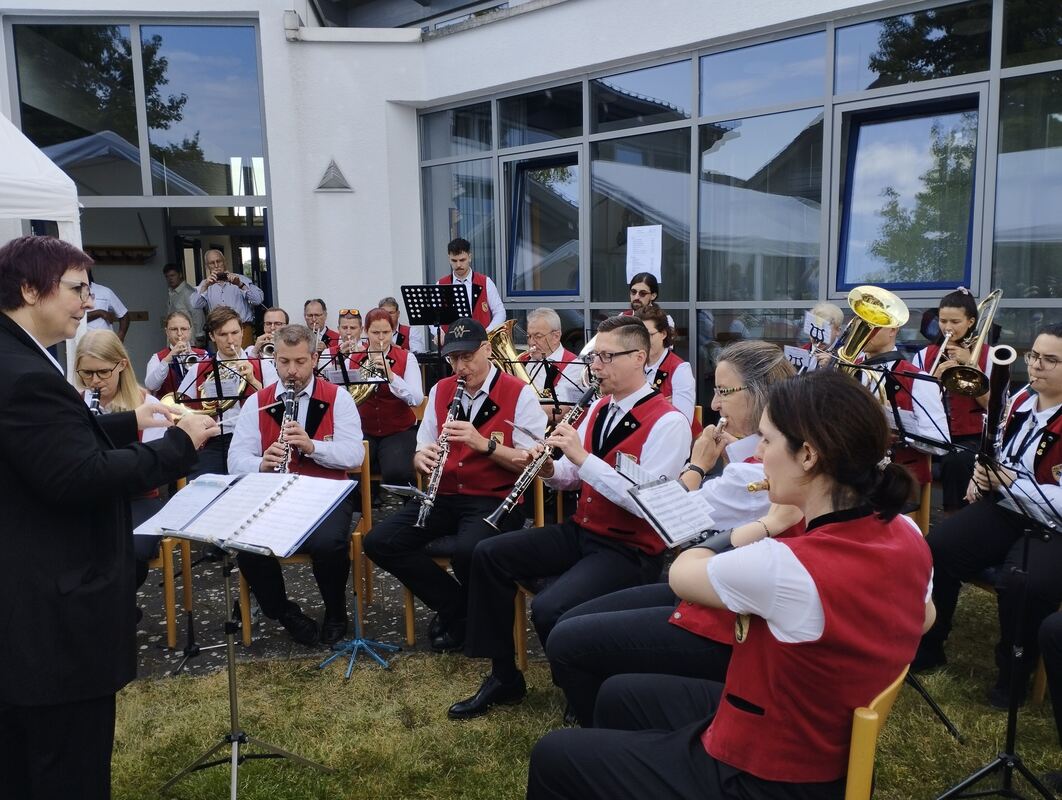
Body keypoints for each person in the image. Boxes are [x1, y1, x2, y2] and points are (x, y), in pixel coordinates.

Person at [526, 370, 934, 800]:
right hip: (816, 729)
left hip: (766, 774)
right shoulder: (906, 532)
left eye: (768, 440)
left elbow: (683, 571)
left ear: (808, 456)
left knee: (555, 755)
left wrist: (766, 524)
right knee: (619, 695)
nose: (758, 452)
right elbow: (924, 618)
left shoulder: (788, 564)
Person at [0, 235, 217, 799]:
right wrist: (180, 444)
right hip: (50, 612)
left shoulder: (16, 358)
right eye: (77, 288)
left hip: (24, 599)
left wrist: (131, 421)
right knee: (65, 766)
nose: (88, 301)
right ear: (30, 289)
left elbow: (47, 441)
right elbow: (76, 475)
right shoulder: (26, 375)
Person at [448, 315, 691, 720]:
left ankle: (582, 688)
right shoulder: (600, 407)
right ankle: (504, 676)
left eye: (607, 357)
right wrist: (548, 468)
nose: (596, 366)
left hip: (629, 549)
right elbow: (572, 477)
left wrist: (581, 456)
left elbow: (646, 504)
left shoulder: (669, 422)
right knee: (488, 554)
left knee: (548, 608)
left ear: (639, 358)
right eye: (595, 357)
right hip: (583, 531)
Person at [546, 340, 796, 726]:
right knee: (573, 619)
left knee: (569, 634)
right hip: (722, 594)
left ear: (758, 394)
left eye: (723, 392)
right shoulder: (757, 458)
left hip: (727, 617)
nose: (714, 405)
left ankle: (600, 724)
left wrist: (696, 465)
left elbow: (670, 517)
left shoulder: (751, 473)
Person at [362, 317, 546, 653]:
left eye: (467, 357)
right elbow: (422, 446)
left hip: (494, 501)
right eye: (453, 359)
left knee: (468, 552)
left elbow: (531, 463)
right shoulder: (441, 390)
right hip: (444, 496)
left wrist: (483, 444)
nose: (460, 368)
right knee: (380, 541)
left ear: (487, 349)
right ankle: (458, 607)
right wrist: (421, 458)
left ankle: (469, 622)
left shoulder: (520, 394)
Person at [915, 323, 1062, 708]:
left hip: (1052, 525)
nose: (1036, 366)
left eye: (1050, 360)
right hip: (1007, 508)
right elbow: (1000, 452)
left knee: (1023, 583)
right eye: (1034, 356)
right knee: (936, 547)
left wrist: (1009, 482)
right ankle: (929, 644)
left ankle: (1013, 678)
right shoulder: (1021, 400)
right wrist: (982, 472)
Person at [228, 324, 365, 646]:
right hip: (274, 493)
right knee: (246, 544)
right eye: (285, 362)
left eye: (300, 362)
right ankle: (284, 612)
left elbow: (354, 454)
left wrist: (314, 447)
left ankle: (335, 611)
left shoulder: (338, 398)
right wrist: (260, 463)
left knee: (329, 544)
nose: (292, 371)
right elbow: (235, 460)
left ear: (314, 359)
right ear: (274, 360)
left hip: (327, 494)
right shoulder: (257, 402)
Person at [76, 329, 171, 592]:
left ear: (122, 365)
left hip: (138, 497)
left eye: (103, 372)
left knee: (130, 551)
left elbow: (153, 466)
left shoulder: (147, 404)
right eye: (87, 373)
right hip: (91, 499)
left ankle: (119, 607)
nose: (94, 381)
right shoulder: (76, 404)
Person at [912, 288, 990, 513]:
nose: (948, 327)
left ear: (970, 322)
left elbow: (993, 406)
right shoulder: (923, 355)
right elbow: (913, 401)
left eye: (955, 321)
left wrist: (971, 365)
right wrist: (933, 381)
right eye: (943, 320)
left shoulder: (989, 355)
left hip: (971, 436)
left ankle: (954, 519)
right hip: (930, 432)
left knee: (957, 461)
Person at [175, 305, 274, 476]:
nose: (230, 340)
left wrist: (253, 381)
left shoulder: (263, 366)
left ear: (242, 332)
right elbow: (180, 409)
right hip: (214, 440)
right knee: (202, 485)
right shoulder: (198, 369)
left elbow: (276, 405)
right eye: (223, 334)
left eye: (235, 333)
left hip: (254, 439)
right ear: (212, 336)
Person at [852, 321, 950, 487]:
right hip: (853, 469)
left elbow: (941, 444)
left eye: (873, 326)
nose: (864, 332)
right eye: (862, 325)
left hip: (895, 479)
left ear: (892, 330)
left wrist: (902, 433)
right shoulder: (849, 368)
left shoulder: (919, 379)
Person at [347, 307, 423, 487]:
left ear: (392, 331)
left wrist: (392, 377)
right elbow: (345, 396)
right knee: (352, 467)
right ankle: (366, 500)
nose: (381, 338)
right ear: (365, 331)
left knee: (397, 471)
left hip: (399, 430)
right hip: (364, 430)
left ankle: (400, 501)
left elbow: (417, 399)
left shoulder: (407, 358)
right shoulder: (353, 359)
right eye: (375, 333)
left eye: (386, 332)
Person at [635, 305, 696, 426]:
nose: (643, 341)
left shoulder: (680, 369)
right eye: (639, 336)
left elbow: (683, 422)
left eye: (649, 335)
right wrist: (662, 404)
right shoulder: (633, 365)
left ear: (663, 334)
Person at [191, 249, 264, 347]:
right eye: (212, 263)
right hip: (219, 331)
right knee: (222, 357)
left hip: (242, 329)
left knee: (245, 357)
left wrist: (240, 285)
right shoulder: (205, 284)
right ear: (207, 266)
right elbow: (195, 305)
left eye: (219, 261)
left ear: (224, 262)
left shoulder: (241, 279)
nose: (216, 265)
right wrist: (205, 286)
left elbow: (258, 300)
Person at [520, 307, 585, 409]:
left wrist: (516, 408)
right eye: (529, 336)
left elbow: (560, 409)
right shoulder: (522, 360)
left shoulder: (574, 365)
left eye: (538, 336)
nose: (531, 342)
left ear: (556, 336)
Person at [438, 237, 505, 332]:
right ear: (449, 258)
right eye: (454, 260)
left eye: (462, 260)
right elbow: (433, 316)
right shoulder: (440, 284)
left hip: (480, 339)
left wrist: (488, 332)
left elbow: (500, 312)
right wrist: (439, 333)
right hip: (450, 340)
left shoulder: (486, 282)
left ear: (469, 257)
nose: (458, 265)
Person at [143, 311, 208, 402]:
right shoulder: (157, 358)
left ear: (190, 331)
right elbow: (151, 386)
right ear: (167, 332)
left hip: (198, 407)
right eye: (174, 329)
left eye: (184, 329)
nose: (179, 333)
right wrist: (169, 358)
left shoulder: (203, 354)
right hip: (170, 408)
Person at [162, 263, 205, 347]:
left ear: (180, 275)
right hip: (176, 340)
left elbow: (198, 315)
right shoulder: (172, 293)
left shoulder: (188, 292)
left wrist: (199, 336)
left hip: (190, 341)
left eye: (172, 275)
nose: (170, 279)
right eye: (167, 276)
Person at [86, 271, 129, 341]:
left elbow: (124, 314)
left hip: (105, 343)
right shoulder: (71, 294)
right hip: (81, 343)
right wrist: (99, 313)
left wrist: (120, 337)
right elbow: (76, 319)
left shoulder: (105, 291)